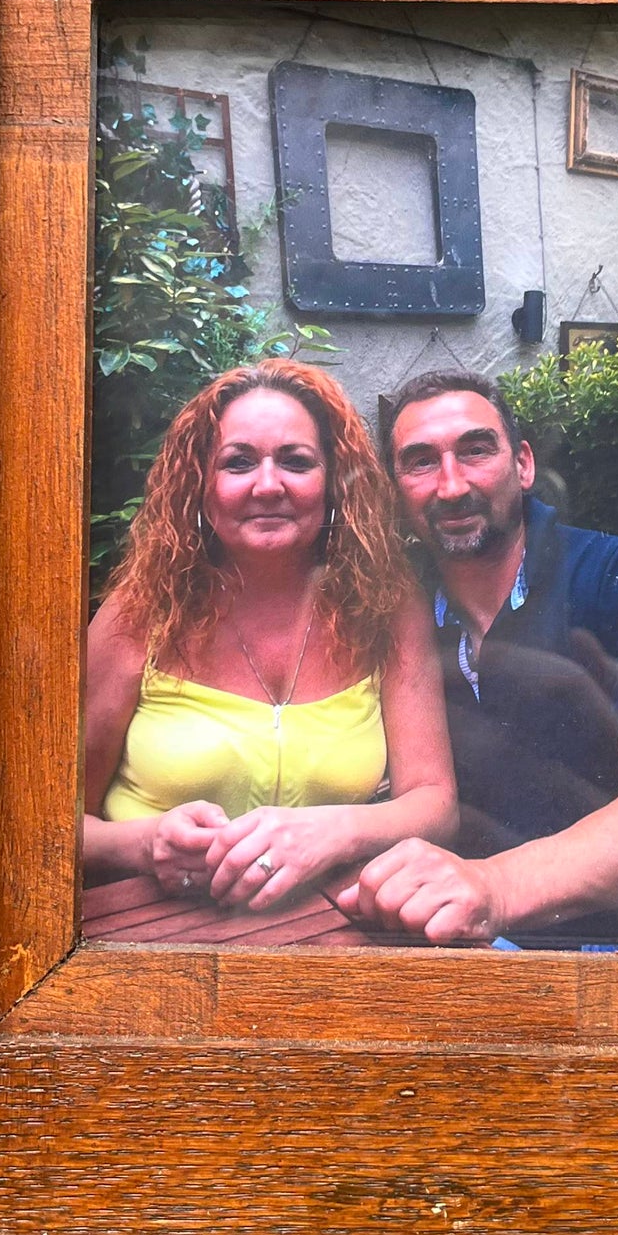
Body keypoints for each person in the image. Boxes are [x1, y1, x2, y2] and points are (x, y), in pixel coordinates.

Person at [335, 371, 618, 950]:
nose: (451, 486)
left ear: (524, 465)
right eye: (421, 462)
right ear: (394, 490)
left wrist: (496, 887)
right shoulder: (396, 610)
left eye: (476, 450)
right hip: (462, 944)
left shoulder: (614, 574)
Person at [82, 361, 456, 912]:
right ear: (200, 485)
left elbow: (435, 801)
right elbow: (47, 819)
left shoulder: (385, 607)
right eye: (238, 462)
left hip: (327, 930)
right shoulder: (140, 612)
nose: (267, 485)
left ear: (333, 482)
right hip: (150, 932)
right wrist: (144, 843)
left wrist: (333, 833)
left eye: (296, 461)